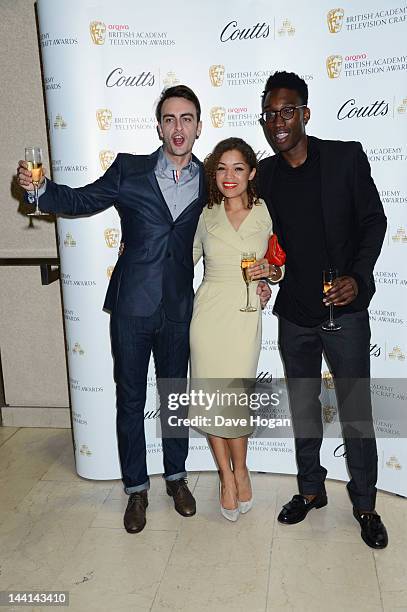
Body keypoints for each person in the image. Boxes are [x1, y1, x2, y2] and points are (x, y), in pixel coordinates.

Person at [17, 85, 271, 534]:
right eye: (170, 119)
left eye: (187, 119)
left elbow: (229, 236)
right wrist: (40, 191)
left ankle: (176, 478)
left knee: (173, 397)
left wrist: (265, 280)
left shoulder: (211, 185)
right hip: (132, 306)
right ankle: (136, 487)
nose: (178, 128)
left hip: (180, 309)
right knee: (130, 399)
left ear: (198, 127)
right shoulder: (129, 170)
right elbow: (81, 201)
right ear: (159, 126)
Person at [258, 71, 388, 548]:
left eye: (287, 111)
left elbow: (374, 220)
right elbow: (232, 211)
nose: (278, 121)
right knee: (304, 407)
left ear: (305, 114)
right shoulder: (264, 174)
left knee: (356, 410)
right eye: (270, 113)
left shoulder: (345, 157)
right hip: (295, 313)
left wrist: (359, 276)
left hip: (346, 312)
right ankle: (311, 490)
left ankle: (366, 503)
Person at [189, 137, 283, 521]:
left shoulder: (265, 212)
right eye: (222, 169)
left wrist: (270, 275)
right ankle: (226, 478)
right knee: (214, 399)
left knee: (236, 400)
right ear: (214, 174)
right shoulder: (205, 214)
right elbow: (184, 259)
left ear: (252, 173)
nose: (230, 176)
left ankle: (241, 468)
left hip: (246, 312)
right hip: (209, 311)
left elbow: (278, 264)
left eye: (238, 168)